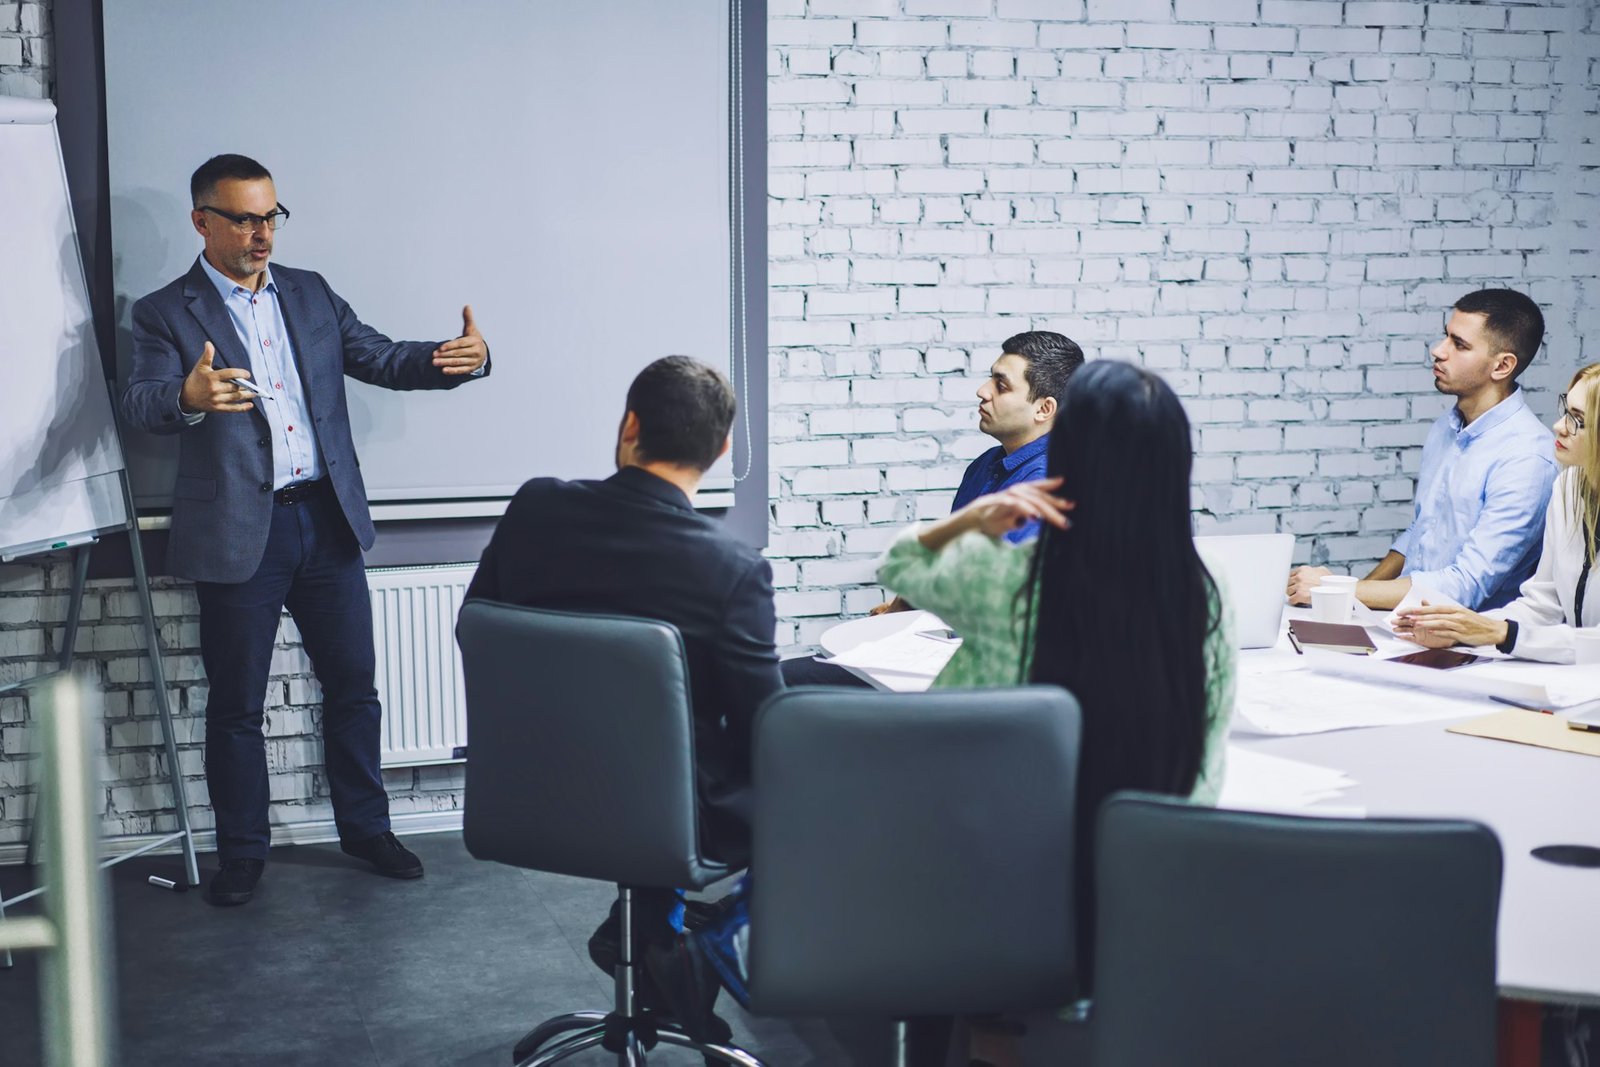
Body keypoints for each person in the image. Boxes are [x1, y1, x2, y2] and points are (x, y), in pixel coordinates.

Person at [121, 154, 490, 906]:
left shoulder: (311, 293)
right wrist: (187, 396)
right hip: (238, 533)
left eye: (271, 216)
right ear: (203, 222)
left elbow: (382, 357)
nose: (263, 234)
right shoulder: (165, 311)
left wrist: (455, 363)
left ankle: (365, 828)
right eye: (245, 219)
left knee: (355, 687)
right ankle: (243, 854)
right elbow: (140, 401)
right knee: (235, 705)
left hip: (325, 521)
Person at [873, 360, 1232, 1067]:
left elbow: (897, 566)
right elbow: (1205, 762)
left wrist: (972, 519)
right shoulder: (1203, 596)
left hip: (987, 877)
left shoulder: (1009, 576)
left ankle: (989, 1026)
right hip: (1129, 886)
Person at [463, 355, 781, 1040]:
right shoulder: (731, 569)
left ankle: (643, 934)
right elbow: (766, 728)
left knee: (663, 757)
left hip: (531, 791)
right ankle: (711, 941)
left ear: (629, 424)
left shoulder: (535, 508)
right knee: (810, 779)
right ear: (722, 451)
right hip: (665, 814)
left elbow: (476, 625)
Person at [780, 331, 1084, 689]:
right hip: (948, 647)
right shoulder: (986, 466)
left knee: (789, 682)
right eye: (990, 377)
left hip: (989, 674)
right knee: (791, 678)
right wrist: (899, 607)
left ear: (1043, 408)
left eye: (1001, 385)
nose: (983, 391)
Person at [1287, 289, 1557, 612]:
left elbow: (1464, 586)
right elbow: (1419, 534)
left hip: (1470, 652)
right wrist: (1349, 610)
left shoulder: (1528, 459)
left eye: (1459, 344)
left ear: (1502, 366)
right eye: (1446, 336)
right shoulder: (1446, 428)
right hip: (1409, 629)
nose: (1438, 351)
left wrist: (1340, 590)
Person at [1395, 364, 1600, 661]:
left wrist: (1503, 634)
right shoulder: (1567, 487)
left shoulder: (1533, 461)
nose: (1559, 426)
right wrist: (1463, 631)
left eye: (1578, 419)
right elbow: (1542, 605)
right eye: (1565, 409)